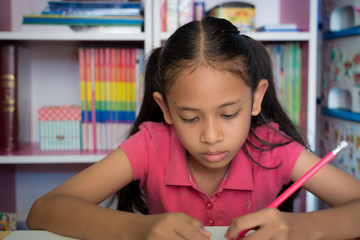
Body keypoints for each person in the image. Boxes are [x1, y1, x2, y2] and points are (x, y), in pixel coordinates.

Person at [26, 16, 360, 240]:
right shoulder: (150, 146)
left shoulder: (273, 148)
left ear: (256, 99)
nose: (211, 136)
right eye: (189, 117)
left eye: (229, 114)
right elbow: (44, 210)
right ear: (166, 109)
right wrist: (140, 230)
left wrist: (299, 227)